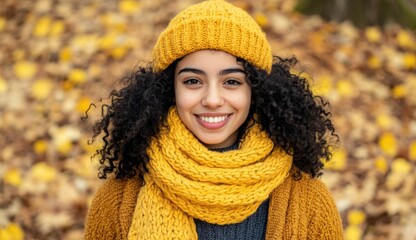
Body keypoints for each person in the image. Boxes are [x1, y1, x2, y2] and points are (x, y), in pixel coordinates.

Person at [84, 0, 344, 239]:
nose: (212, 99)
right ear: (167, 89)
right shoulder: (117, 199)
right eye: (193, 81)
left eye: (231, 82)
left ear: (257, 91)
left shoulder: (309, 201)